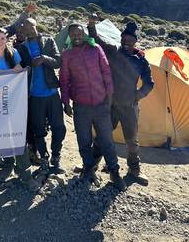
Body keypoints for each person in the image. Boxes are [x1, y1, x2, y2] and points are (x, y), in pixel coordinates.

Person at [59, 23, 126, 191]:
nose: (77, 37)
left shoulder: (95, 49)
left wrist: (109, 96)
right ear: (70, 36)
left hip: (101, 103)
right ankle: (88, 169)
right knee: (84, 141)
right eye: (73, 34)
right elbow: (64, 79)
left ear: (84, 34)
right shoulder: (67, 55)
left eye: (79, 33)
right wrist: (65, 102)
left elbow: (106, 72)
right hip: (81, 106)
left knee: (107, 140)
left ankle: (114, 172)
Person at [88, 18, 154, 185]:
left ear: (135, 41)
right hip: (110, 104)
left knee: (132, 140)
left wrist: (138, 95)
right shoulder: (113, 52)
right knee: (102, 136)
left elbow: (149, 83)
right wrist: (91, 26)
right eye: (124, 39)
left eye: (130, 40)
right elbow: (97, 40)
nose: (126, 42)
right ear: (121, 39)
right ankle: (91, 166)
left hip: (130, 107)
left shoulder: (141, 61)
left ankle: (134, 170)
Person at [0, 28, 39, 191]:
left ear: (6, 39)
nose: (0, 41)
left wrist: (1, 73)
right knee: (1, 134)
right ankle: (8, 164)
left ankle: (25, 174)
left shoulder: (13, 53)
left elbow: (22, 71)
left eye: (2, 38)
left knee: (18, 135)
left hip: (13, 100)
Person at [17, 18, 66, 174]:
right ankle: (44, 158)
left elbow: (58, 61)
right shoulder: (21, 48)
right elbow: (17, 68)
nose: (29, 30)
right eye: (26, 29)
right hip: (34, 96)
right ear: (23, 32)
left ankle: (56, 157)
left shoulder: (48, 40)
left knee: (59, 128)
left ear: (36, 26)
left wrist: (45, 59)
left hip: (52, 93)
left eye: (31, 27)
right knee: (38, 130)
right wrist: (25, 70)